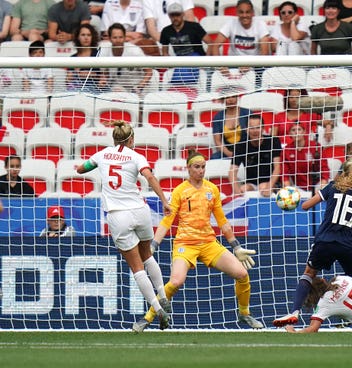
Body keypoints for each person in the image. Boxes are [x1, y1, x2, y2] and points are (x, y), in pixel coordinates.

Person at [132, 149, 264, 332]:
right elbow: (167, 221)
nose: (201, 171)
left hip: (209, 243)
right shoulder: (180, 191)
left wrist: (236, 246)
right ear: (188, 168)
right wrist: (153, 245)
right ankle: (148, 318)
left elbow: (222, 222)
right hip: (185, 244)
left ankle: (244, 313)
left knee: (242, 274)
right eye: (197, 167)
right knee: (176, 282)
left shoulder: (212, 189)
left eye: (203, 167)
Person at [76, 121, 173, 331]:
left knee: (136, 267)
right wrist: (165, 201)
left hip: (118, 215)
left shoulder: (102, 154)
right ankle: (163, 296)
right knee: (148, 255)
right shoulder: (136, 156)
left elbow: (80, 169)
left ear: (113, 139)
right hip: (140, 210)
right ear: (131, 139)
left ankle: (157, 309)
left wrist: (94, 165)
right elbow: (150, 177)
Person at [272, 157, 352, 332]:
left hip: (324, 240)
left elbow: (306, 206)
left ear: (343, 172)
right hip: (349, 244)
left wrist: (297, 199)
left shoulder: (333, 186)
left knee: (309, 273)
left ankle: (294, 311)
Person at [229, 114, 282, 197]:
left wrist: (269, 186)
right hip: (251, 183)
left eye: (258, 127)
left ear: (263, 129)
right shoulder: (240, 146)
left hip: (271, 183)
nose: (255, 131)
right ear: (246, 129)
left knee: (263, 187)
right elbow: (232, 171)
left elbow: (277, 168)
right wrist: (237, 191)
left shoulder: (273, 141)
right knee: (243, 189)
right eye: (251, 128)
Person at [99, 22, 152, 95]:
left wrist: (140, 86)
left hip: (137, 85)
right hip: (118, 86)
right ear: (110, 38)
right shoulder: (104, 50)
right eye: (115, 37)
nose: (118, 40)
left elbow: (149, 71)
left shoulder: (135, 51)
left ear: (124, 38)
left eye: (120, 37)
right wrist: (103, 79)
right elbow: (105, 73)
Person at [281, 123, 330, 192]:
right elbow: (284, 173)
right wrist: (289, 190)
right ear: (289, 133)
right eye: (293, 130)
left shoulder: (315, 146)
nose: (296, 132)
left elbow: (324, 168)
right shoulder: (286, 150)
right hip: (298, 187)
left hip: (317, 184)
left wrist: (322, 186)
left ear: (304, 132)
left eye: (299, 129)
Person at [66, 23, 109, 94]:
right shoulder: (73, 57)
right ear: (78, 37)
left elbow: (104, 77)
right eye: (83, 35)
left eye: (89, 35)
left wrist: (86, 74)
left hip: (96, 90)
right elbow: (68, 80)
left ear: (92, 37)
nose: (86, 38)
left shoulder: (99, 54)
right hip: (77, 89)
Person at [211, 91, 250, 159]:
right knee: (215, 157)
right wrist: (229, 154)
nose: (231, 99)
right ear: (223, 99)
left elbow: (253, 134)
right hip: (228, 150)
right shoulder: (218, 117)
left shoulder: (247, 113)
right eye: (228, 97)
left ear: (237, 98)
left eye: (233, 96)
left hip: (246, 149)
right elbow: (218, 141)